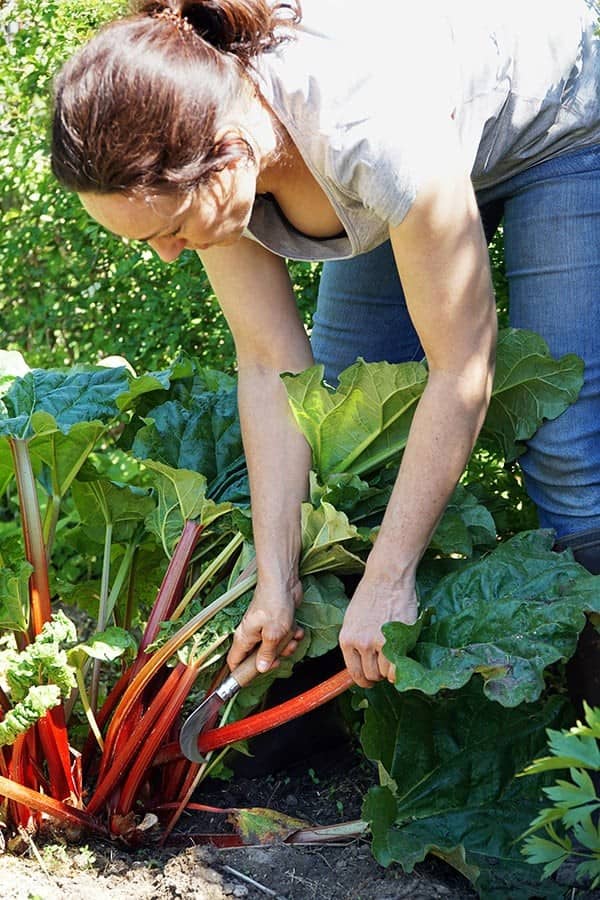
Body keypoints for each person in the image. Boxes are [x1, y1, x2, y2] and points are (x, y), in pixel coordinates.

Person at [51, 0, 600, 694]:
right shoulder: (204, 146)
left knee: (569, 453)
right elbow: (269, 364)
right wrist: (274, 579)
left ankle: (588, 725)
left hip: (551, 124)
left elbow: (463, 367)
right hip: (412, 148)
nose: (167, 255)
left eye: (172, 228)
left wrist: (390, 578)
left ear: (228, 155)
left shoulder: (369, 130)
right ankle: (341, 692)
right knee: (343, 429)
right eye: (145, 238)